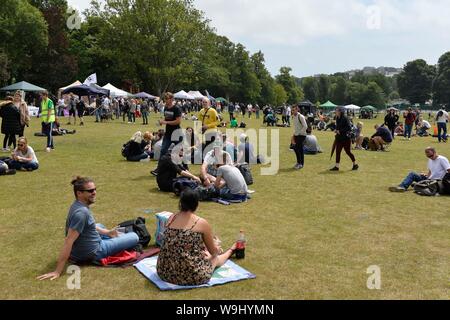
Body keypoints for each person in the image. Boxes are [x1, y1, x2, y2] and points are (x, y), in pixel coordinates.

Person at [37, 177, 140, 280]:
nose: (94, 192)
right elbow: (68, 241)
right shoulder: (82, 213)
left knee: (100, 226)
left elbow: (89, 225)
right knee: (134, 236)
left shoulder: (77, 205)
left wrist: (107, 232)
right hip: (94, 252)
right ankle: (108, 242)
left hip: (80, 249)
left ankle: (109, 236)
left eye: (95, 189)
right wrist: (57, 271)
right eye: (90, 191)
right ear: (79, 193)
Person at [156, 190, 236, 286]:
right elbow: (214, 252)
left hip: (164, 271)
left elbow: (181, 242)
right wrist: (216, 249)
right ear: (196, 204)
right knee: (215, 258)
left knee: (205, 255)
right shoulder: (201, 223)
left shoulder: (172, 218)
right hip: (191, 275)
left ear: (181, 203)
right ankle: (231, 250)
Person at [151, 92, 182, 176]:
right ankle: (159, 169)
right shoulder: (165, 108)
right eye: (165, 98)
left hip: (176, 133)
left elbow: (178, 121)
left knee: (180, 151)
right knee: (163, 150)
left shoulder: (177, 108)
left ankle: (184, 168)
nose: (166, 100)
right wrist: (162, 122)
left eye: (167, 98)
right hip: (168, 133)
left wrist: (165, 122)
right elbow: (166, 119)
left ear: (172, 99)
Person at [330, 107, 359, 171]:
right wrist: (336, 130)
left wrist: (340, 131)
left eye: (336, 111)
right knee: (337, 151)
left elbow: (349, 128)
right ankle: (337, 166)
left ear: (340, 111)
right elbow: (338, 126)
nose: (335, 112)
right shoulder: (337, 118)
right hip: (339, 138)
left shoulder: (345, 118)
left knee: (348, 152)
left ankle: (355, 164)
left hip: (346, 138)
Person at [290, 105, 307, 170]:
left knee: (299, 149)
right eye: (292, 110)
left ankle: (301, 164)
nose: (293, 111)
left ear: (297, 110)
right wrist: (294, 134)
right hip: (296, 135)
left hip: (302, 135)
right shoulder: (293, 117)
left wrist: (299, 133)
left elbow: (305, 126)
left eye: (294, 110)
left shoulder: (301, 116)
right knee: (295, 148)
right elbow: (296, 127)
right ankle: (298, 162)